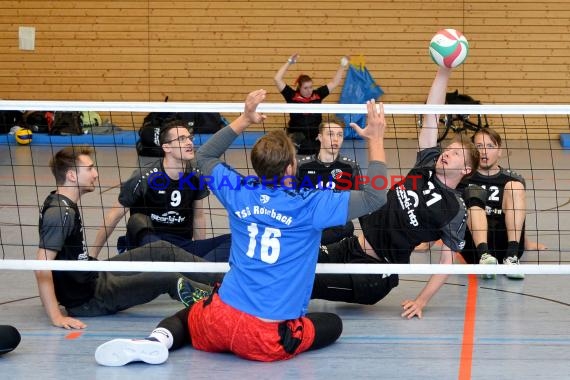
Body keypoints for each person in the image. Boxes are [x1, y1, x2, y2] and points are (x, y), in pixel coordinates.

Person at [94, 88, 389, 365]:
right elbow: (376, 195)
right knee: (332, 324)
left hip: (220, 320)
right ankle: (169, 337)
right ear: (290, 168)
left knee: (191, 315)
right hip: (265, 335)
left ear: (258, 167)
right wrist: (375, 138)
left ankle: (158, 339)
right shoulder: (310, 205)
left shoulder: (238, 190)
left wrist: (245, 118)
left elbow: (205, 156)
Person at [311, 66, 488, 319]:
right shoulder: (427, 162)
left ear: (467, 168)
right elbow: (431, 116)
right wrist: (444, 71)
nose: (447, 153)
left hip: (375, 273)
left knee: (306, 281)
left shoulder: (454, 209)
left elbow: (446, 262)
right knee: (295, 259)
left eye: (456, 153)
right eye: (448, 149)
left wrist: (421, 301)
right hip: (352, 247)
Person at [35, 146, 216, 330]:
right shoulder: (59, 213)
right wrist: (56, 316)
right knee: (167, 278)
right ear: (72, 175)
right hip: (89, 298)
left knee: (162, 249)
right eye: (89, 168)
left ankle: (228, 278)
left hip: (92, 274)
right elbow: (41, 266)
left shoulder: (62, 203)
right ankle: (224, 301)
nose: (96, 173)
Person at [92, 120, 231, 262]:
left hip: (182, 247)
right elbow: (112, 217)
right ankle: (182, 270)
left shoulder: (196, 175)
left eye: (190, 138)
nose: (189, 143)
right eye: (181, 139)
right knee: (137, 221)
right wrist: (92, 257)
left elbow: (198, 216)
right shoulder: (144, 177)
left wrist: (198, 254)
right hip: (150, 244)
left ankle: (195, 270)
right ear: (166, 147)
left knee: (233, 241)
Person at [458, 127, 546, 279]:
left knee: (515, 187)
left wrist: (525, 243)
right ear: (473, 150)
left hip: (505, 245)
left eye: (490, 146)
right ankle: (484, 257)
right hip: (473, 249)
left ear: (500, 151)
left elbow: (518, 216)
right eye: (479, 146)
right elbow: (447, 213)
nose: (484, 151)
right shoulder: (463, 179)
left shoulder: (514, 179)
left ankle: (511, 258)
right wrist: (428, 241)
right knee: (473, 191)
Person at [296, 118, 361, 244]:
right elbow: (291, 200)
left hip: (337, 227)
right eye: (330, 134)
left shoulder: (350, 167)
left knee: (347, 227)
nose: (335, 139)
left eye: (340, 135)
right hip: (309, 224)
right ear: (320, 137)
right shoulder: (302, 166)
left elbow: (362, 203)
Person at [274, 53, 349, 155]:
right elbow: (277, 79)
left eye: (311, 87)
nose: (309, 90)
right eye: (305, 88)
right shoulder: (291, 96)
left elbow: (334, 83)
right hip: (297, 136)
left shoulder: (317, 94)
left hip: (315, 135)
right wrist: (289, 62)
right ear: (299, 88)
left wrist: (342, 65)